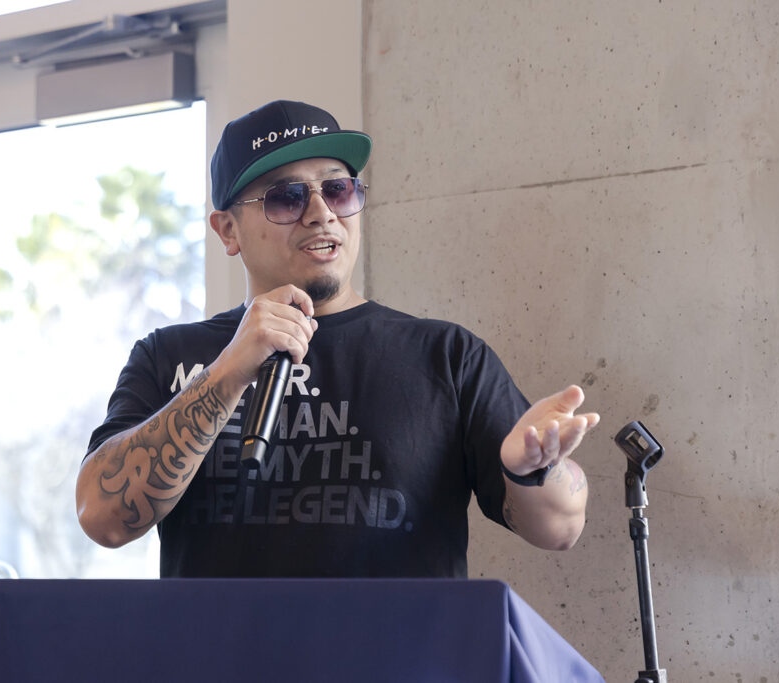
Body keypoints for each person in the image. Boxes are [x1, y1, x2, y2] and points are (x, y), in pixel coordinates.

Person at [76, 100, 600, 578]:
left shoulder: (445, 356)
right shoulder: (169, 355)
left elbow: (561, 529)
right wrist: (229, 371)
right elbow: (103, 519)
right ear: (227, 231)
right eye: (287, 197)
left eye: (338, 188)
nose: (322, 212)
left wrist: (533, 469)